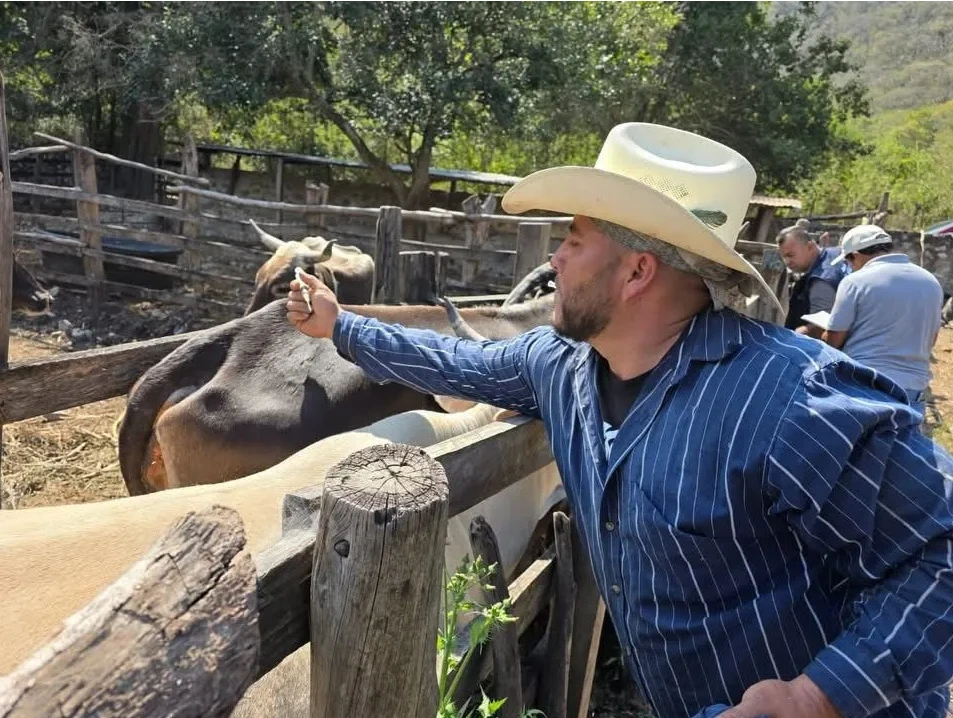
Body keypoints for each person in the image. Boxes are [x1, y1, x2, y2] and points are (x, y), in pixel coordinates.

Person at [287, 123, 953, 718]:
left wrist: (818, 696)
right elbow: (462, 362)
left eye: (574, 240)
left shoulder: (792, 399)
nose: (554, 259)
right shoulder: (562, 366)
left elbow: (939, 552)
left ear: (637, 272)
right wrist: (342, 326)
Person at [821, 224, 944, 419]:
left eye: (848, 261)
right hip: (912, 389)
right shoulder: (931, 282)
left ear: (855, 255)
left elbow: (834, 339)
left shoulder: (855, 281)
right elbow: (932, 338)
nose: (850, 267)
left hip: (865, 385)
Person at [776, 222, 849, 336]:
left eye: (790, 255)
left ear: (810, 246)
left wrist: (790, 337)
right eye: (784, 257)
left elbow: (823, 326)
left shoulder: (820, 280)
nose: (787, 262)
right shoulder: (834, 253)